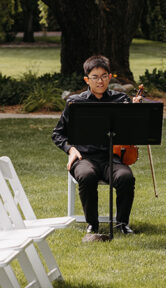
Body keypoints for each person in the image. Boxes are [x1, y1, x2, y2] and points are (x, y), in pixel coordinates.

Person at [52, 55, 141, 241]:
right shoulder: (75, 103)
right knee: (86, 176)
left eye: (104, 76)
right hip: (84, 158)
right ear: (87, 79)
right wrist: (71, 150)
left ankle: (122, 223)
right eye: (95, 77)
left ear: (110, 77)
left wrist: (135, 113)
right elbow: (58, 134)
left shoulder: (121, 100)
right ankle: (92, 223)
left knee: (126, 176)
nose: (100, 81)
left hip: (113, 158)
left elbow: (133, 131)